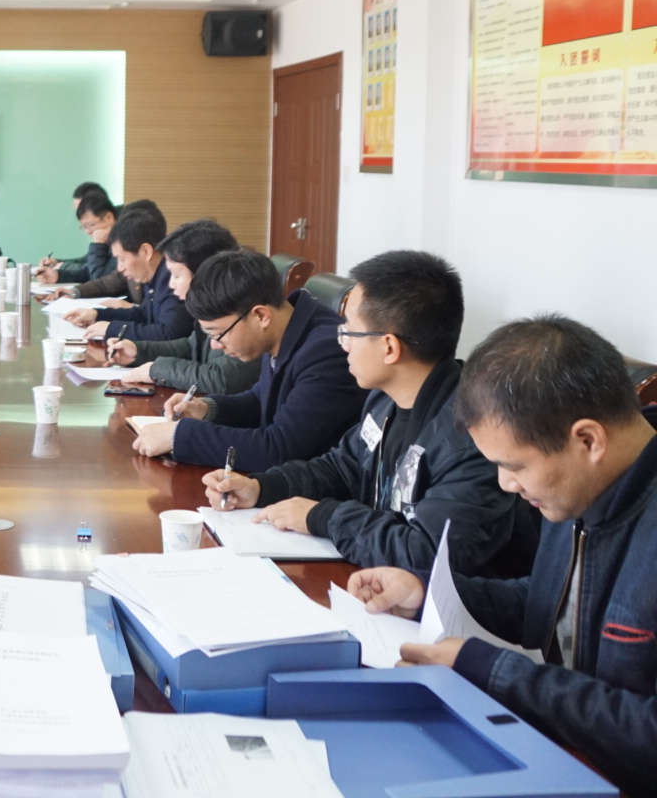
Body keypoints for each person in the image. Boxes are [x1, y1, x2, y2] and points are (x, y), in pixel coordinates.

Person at [348, 316, 657, 796]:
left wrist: (490, 671)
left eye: (514, 466)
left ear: (588, 440)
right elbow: (551, 603)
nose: (505, 485)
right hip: (548, 750)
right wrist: (423, 591)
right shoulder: (582, 484)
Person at [204, 250, 538, 576]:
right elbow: (343, 467)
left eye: (349, 330)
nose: (343, 343)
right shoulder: (384, 399)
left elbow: (427, 554)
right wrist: (262, 487)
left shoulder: (472, 437)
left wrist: (323, 517)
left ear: (389, 347)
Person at [131, 249, 365, 471]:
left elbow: (278, 449)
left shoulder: (326, 352)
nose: (215, 345)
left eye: (218, 333)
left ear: (260, 315)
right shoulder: (286, 327)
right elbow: (260, 398)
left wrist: (179, 436)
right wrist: (206, 408)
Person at [104, 219, 261, 395]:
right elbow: (191, 346)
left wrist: (157, 369)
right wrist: (139, 351)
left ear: (204, 272)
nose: (171, 284)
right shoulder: (213, 308)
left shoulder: (243, 309)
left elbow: (222, 378)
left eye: (177, 275)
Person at [65, 202, 191, 342]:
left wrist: (110, 329)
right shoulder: (154, 274)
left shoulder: (173, 279)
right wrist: (98, 315)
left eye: (123, 259)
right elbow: (144, 314)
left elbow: (168, 333)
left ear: (146, 252)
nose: (119, 268)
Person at [35, 190, 117, 285]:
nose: (88, 231)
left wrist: (98, 245)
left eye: (91, 225)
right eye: (84, 227)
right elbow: (88, 271)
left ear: (108, 217)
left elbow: (100, 281)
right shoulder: (107, 241)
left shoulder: (123, 242)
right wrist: (57, 275)